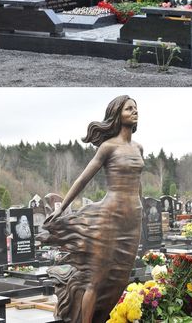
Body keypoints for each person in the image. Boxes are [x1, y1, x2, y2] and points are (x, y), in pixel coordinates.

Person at [40, 95, 144, 323]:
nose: (134, 111)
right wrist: (63, 207)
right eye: (129, 108)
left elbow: (138, 182)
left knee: (120, 278)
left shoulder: (138, 148)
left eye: (136, 108)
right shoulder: (108, 147)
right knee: (96, 279)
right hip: (110, 217)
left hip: (133, 219)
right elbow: (83, 179)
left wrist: (141, 206)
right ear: (118, 115)